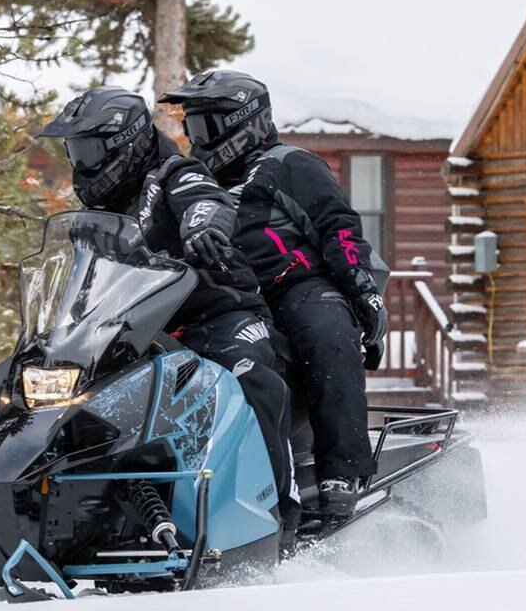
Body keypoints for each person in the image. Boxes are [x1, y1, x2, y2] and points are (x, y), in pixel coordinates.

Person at [39, 86, 300, 545]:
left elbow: (205, 198)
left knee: (250, 377)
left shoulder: (174, 174)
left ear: (126, 143)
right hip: (143, 328)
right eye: (75, 151)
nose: (82, 163)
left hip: (219, 312)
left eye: (90, 150)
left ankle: (281, 511)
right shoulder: (100, 211)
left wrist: (203, 226)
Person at [159, 70, 388, 517]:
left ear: (244, 122)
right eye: (192, 126)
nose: (196, 138)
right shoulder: (191, 182)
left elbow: (338, 227)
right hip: (228, 297)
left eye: (206, 126)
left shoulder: (289, 164)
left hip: (296, 284)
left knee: (324, 335)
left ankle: (342, 471)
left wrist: (363, 291)